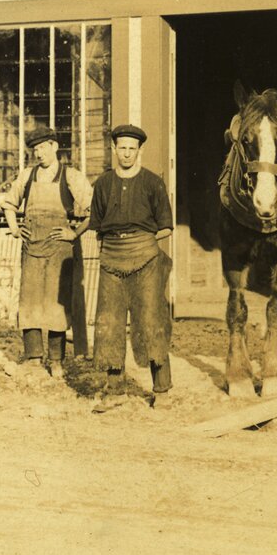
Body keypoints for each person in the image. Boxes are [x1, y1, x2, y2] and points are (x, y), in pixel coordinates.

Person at [71, 123, 174, 398]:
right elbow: (97, 226)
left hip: (146, 259)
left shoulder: (153, 183)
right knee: (110, 323)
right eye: (122, 148)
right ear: (114, 149)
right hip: (111, 261)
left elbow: (166, 227)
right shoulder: (103, 184)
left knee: (151, 320)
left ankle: (162, 388)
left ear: (140, 150)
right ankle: (114, 390)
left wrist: (142, 243)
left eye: (132, 148)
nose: (127, 153)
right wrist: (112, 249)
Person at [0, 126, 92, 375]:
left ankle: (56, 360)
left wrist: (74, 233)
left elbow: (93, 210)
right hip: (31, 246)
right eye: (35, 149)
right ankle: (33, 357)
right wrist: (15, 229)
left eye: (43, 147)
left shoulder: (71, 176)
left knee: (56, 304)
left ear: (55, 146)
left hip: (59, 249)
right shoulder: (27, 176)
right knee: (30, 302)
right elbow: (9, 205)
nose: (39, 153)